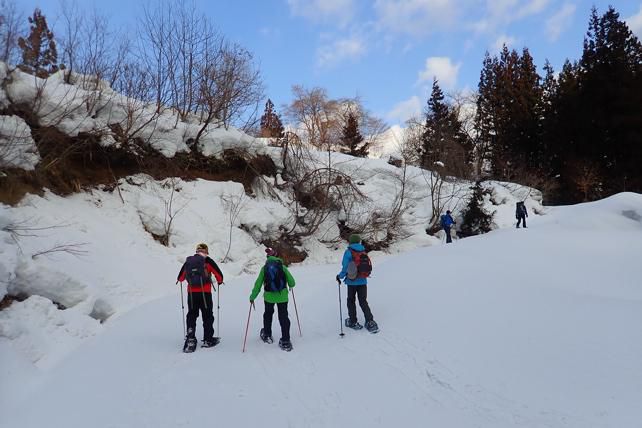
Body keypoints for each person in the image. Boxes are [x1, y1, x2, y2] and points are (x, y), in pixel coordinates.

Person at [177, 243, 224, 352]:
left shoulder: (189, 262)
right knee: (207, 316)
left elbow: (180, 278)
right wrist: (220, 282)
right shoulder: (208, 261)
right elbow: (220, 276)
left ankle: (190, 338)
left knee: (192, 315)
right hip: (205, 293)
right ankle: (208, 339)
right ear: (206, 252)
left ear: (197, 251)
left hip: (192, 294)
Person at [250, 248, 296, 351]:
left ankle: (267, 335)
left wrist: (252, 297)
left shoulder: (264, 268)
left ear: (268, 258)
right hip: (283, 297)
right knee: (283, 317)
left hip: (269, 297)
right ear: (277, 256)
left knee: (268, 314)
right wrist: (289, 285)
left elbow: (258, 284)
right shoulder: (283, 267)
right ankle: (285, 341)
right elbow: (292, 282)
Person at [336, 234, 378, 333]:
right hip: (363, 280)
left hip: (351, 281)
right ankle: (370, 321)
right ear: (359, 241)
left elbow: (345, 267)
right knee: (363, 301)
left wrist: (340, 276)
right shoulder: (363, 251)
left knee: (351, 301)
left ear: (350, 242)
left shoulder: (348, 252)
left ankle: (353, 321)